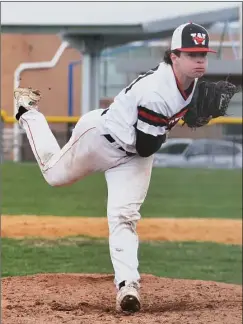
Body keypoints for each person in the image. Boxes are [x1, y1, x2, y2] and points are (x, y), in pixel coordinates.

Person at [14, 22, 217, 313]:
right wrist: (184, 118)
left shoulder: (192, 85)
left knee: (124, 218)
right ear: (174, 56)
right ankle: (27, 111)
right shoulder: (156, 92)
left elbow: (146, 146)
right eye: (191, 54)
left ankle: (128, 286)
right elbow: (148, 144)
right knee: (53, 176)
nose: (200, 60)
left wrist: (189, 113)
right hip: (100, 139)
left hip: (132, 157)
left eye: (203, 54)